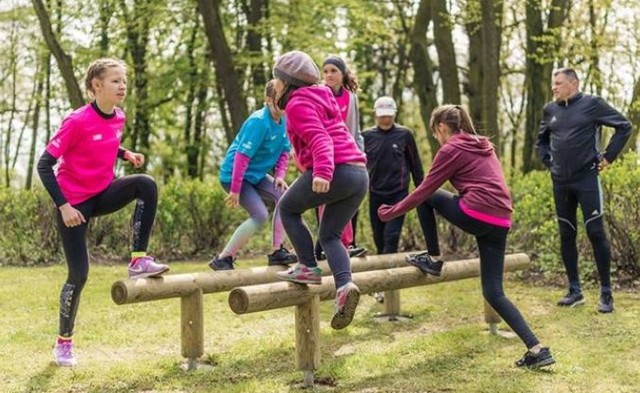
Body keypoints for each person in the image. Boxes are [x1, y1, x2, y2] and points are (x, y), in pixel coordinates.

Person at [378, 104, 555, 369]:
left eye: (435, 134)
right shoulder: (482, 145)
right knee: (493, 292)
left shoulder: (451, 148)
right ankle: (537, 348)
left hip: (478, 213)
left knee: (428, 198)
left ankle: (434, 258)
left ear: (441, 128)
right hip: (501, 219)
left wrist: (391, 212)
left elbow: (425, 189)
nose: (437, 140)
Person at [37, 58, 169, 367]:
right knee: (79, 275)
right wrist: (64, 206)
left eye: (124, 80)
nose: (122, 85)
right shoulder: (76, 120)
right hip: (74, 205)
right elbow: (44, 165)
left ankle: (138, 259)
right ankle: (64, 342)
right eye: (115, 81)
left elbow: (105, 141)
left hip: (102, 192)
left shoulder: (119, 116)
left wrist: (126, 153)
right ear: (97, 86)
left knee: (146, 185)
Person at [272, 50, 369, 330]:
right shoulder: (321, 97)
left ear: (289, 83)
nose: (274, 85)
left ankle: (307, 267)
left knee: (287, 208)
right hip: (358, 174)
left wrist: (323, 172)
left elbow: (320, 138)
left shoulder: (298, 103)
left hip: (335, 168)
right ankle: (344, 287)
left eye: (277, 79)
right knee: (330, 235)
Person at [536, 67, 632, 313]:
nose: (554, 87)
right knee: (566, 234)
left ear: (573, 83)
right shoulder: (550, 110)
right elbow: (541, 141)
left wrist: (608, 157)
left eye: (558, 83)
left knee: (596, 233)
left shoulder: (592, 104)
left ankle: (606, 294)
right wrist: (549, 162)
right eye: (553, 83)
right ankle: (575, 290)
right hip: (561, 183)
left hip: (587, 180)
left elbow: (624, 126)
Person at [208, 80, 297, 270]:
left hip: (255, 176)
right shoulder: (258, 122)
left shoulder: (285, 120)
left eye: (286, 100)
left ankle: (276, 251)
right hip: (234, 175)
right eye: (279, 100)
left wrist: (280, 175)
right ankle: (223, 258)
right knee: (260, 215)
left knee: (285, 197)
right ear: (268, 99)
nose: (283, 104)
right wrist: (235, 189)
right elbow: (242, 157)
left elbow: (284, 151)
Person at [313, 55, 366, 259]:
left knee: (345, 199)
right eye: (325, 71)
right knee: (324, 200)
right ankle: (327, 247)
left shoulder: (350, 98)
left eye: (333, 71)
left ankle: (345, 244)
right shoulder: (319, 94)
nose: (328, 75)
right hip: (323, 155)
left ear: (343, 74)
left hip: (345, 155)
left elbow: (354, 130)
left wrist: (359, 155)